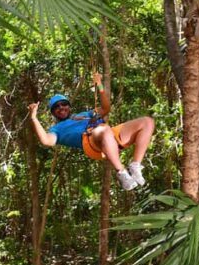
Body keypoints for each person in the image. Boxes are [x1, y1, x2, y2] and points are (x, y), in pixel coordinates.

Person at [27, 72, 155, 191]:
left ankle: (135, 165)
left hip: (109, 135)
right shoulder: (57, 129)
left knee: (147, 122)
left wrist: (99, 83)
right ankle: (121, 172)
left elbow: (106, 108)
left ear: (69, 106)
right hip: (92, 142)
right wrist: (33, 118)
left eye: (63, 104)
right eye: (56, 107)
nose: (61, 108)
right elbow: (45, 141)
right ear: (53, 113)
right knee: (104, 129)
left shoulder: (84, 114)